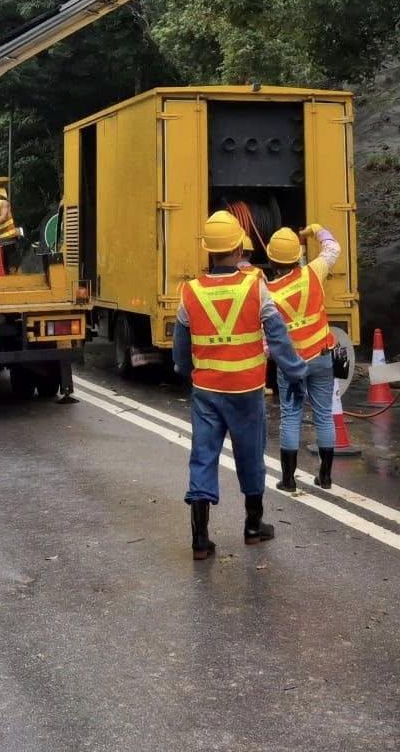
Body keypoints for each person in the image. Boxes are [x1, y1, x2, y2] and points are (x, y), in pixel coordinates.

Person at [174, 210, 307, 560]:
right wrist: (295, 372)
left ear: (208, 250)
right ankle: (252, 526)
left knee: (203, 457)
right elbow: (277, 335)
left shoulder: (189, 291)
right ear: (237, 248)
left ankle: (200, 539)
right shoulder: (254, 285)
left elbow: (180, 349)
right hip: (246, 390)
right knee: (250, 455)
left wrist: (188, 371)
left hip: (207, 390)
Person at [264, 223, 342, 492]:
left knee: (290, 416)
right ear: (297, 256)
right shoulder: (312, 273)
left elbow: (268, 339)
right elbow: (333, 249)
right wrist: (318, 230)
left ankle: (288, 480)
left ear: (272, 260)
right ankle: (326, 477)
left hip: (291, 364)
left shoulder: (268, 294)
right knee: (323, 414)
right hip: (322, 356)